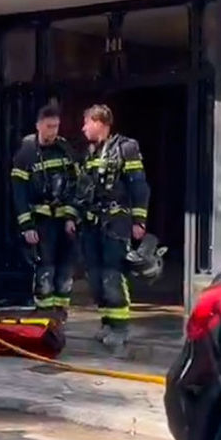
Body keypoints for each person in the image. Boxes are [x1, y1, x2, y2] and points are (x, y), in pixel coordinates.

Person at [77, 104, 150, 351]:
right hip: (92, 223)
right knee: (95, 277)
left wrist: (139, 220)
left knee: (112, 275)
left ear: (100, 122)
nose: (83, 128)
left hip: (116, 223)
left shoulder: (126, 148)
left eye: (87, 122)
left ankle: (120, 328)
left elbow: (139, 186)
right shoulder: (90, 152)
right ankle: (107, 322)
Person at [10, 104, 79, 312]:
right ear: (38, 126)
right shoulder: (26, 153)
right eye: (49, 126)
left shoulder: (65, 150)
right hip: (41, 223)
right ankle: (45, 315)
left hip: (64, 223)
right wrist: (27, 226)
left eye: (56, 126)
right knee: (45, 271)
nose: (53, 131)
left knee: (65, 272)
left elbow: (78, 184)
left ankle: (60, 316)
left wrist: (71, 216)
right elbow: (19, 192)